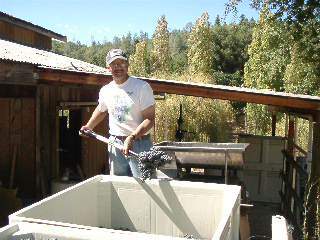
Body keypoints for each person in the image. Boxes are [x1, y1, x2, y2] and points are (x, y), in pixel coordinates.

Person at [80, 48, 155, 178]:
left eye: (121, 63)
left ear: (127, 65)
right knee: (119, 187)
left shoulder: (141, 87)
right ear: (109, 67)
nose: (118, 67)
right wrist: (89, 126)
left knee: (146, 186)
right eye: (114, 64)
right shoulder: (106, 90)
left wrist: (132, 137)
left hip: (140, 143)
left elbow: (150, 119)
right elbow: (101, 109)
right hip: (115, 144)